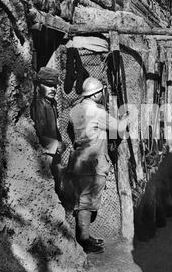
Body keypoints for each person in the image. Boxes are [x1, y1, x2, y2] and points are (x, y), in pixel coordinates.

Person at [66, 77, 134, 254]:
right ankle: (84, 241)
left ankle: (84, 237)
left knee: (82, 201)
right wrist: (128, 117)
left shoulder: (74, 111)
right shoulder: (97, 112)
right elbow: (118, 128)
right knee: (86, 203)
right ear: (96, 94)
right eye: (101, 92)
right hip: (93, 164)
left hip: (78, 161)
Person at [30, 67, 65, 193]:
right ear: (39, 85)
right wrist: (56, 144)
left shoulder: (52, 104)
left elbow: (53, 128)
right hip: (44, 153)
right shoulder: (38, 105)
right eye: (49, 85)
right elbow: (38, 133)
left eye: (55, 86)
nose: (53, 89)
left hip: (53, 152)